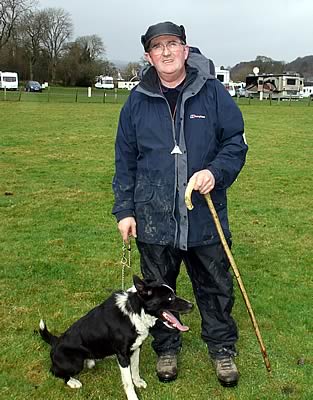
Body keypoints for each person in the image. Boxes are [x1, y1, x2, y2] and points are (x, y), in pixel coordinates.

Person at [112, 21, 248, 388]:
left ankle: (222, 349)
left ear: (186, 50)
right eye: (158, 47)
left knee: (215, 287)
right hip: (154, 217)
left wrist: (215, 173)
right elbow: (125, 159)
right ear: (149, 56)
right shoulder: (136, 100)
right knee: (157, 289)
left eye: (173, 44)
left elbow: (236, 143)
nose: (167, 52)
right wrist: (124, 209)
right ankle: (167, 348)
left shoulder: (214, 93)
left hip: (205, 216)